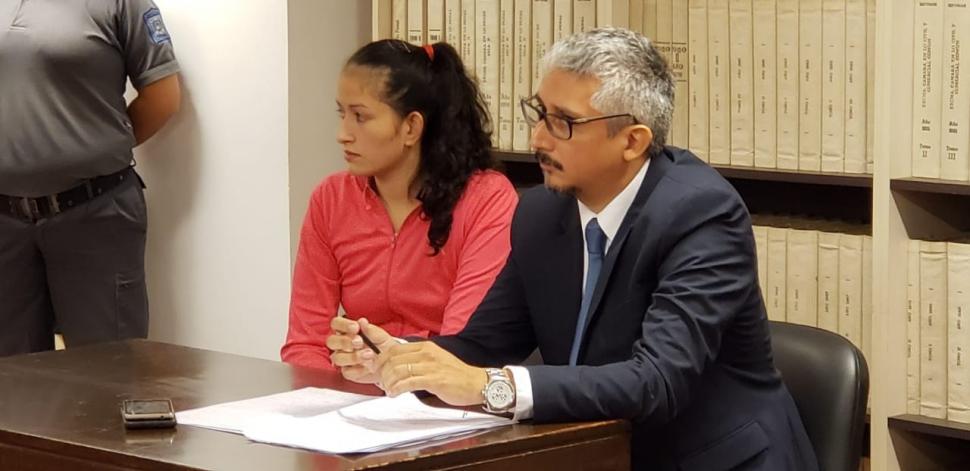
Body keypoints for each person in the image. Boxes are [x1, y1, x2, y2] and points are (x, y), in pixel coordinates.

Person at [327, 28, 819, 471]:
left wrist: (490, 386)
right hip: (597, 453)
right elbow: (483, 345)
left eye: (563, 122)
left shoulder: (701, 215)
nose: (538, 137)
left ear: (632, 141)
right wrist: (402, 358)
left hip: (712, 459)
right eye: (539, 112)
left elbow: (656, 382)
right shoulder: (541, 214)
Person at [280, 40, 518, 370]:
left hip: (443, 390)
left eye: (360, 117)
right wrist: (321, 394)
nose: (342, 134)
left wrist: (381, 368)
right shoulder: (331, 198)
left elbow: (463, 347)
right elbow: (306, 343)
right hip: (351, 391)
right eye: (342, 114)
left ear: (411, 127)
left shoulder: (486, 199)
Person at [0, 0, 181, 355]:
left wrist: (92, 149)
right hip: (5, 222)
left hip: (94, 212)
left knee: (107, 368)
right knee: (12, 376)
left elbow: (163, 97)